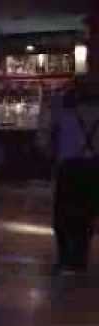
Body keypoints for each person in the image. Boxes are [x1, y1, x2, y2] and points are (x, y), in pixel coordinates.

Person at [37, 78, 99, 275]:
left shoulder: (62, 110)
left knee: (62, 215)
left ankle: (64, 258)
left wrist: (48, 153)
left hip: (68, 167)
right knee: (86, 214)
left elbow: (44, 136)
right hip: (93, 167)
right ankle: (80, 259)